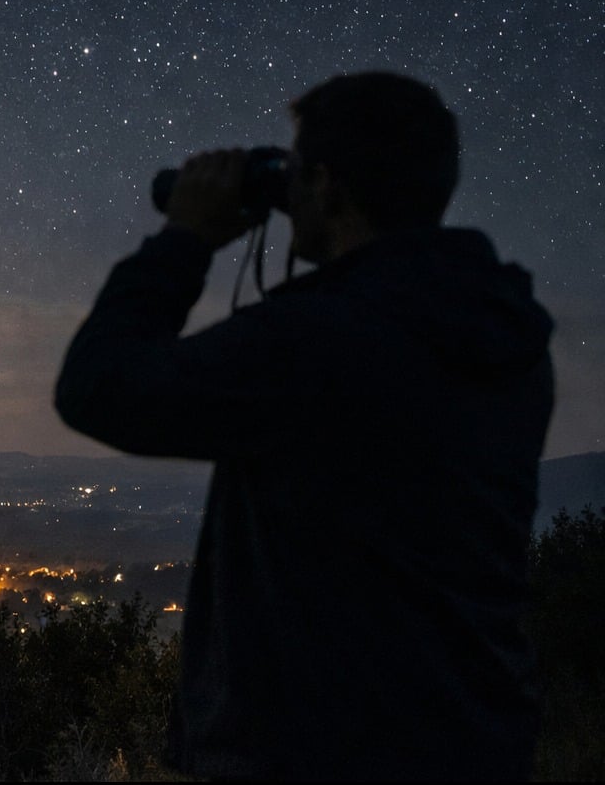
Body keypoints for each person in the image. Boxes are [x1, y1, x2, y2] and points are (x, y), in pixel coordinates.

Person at [54, 72, 555, 781]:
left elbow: (98, 387)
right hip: (472, 733)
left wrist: (185, 240)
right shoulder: (507, 339)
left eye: (294, 171)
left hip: (314, 748)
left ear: (324, 184)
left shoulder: (327, 337)